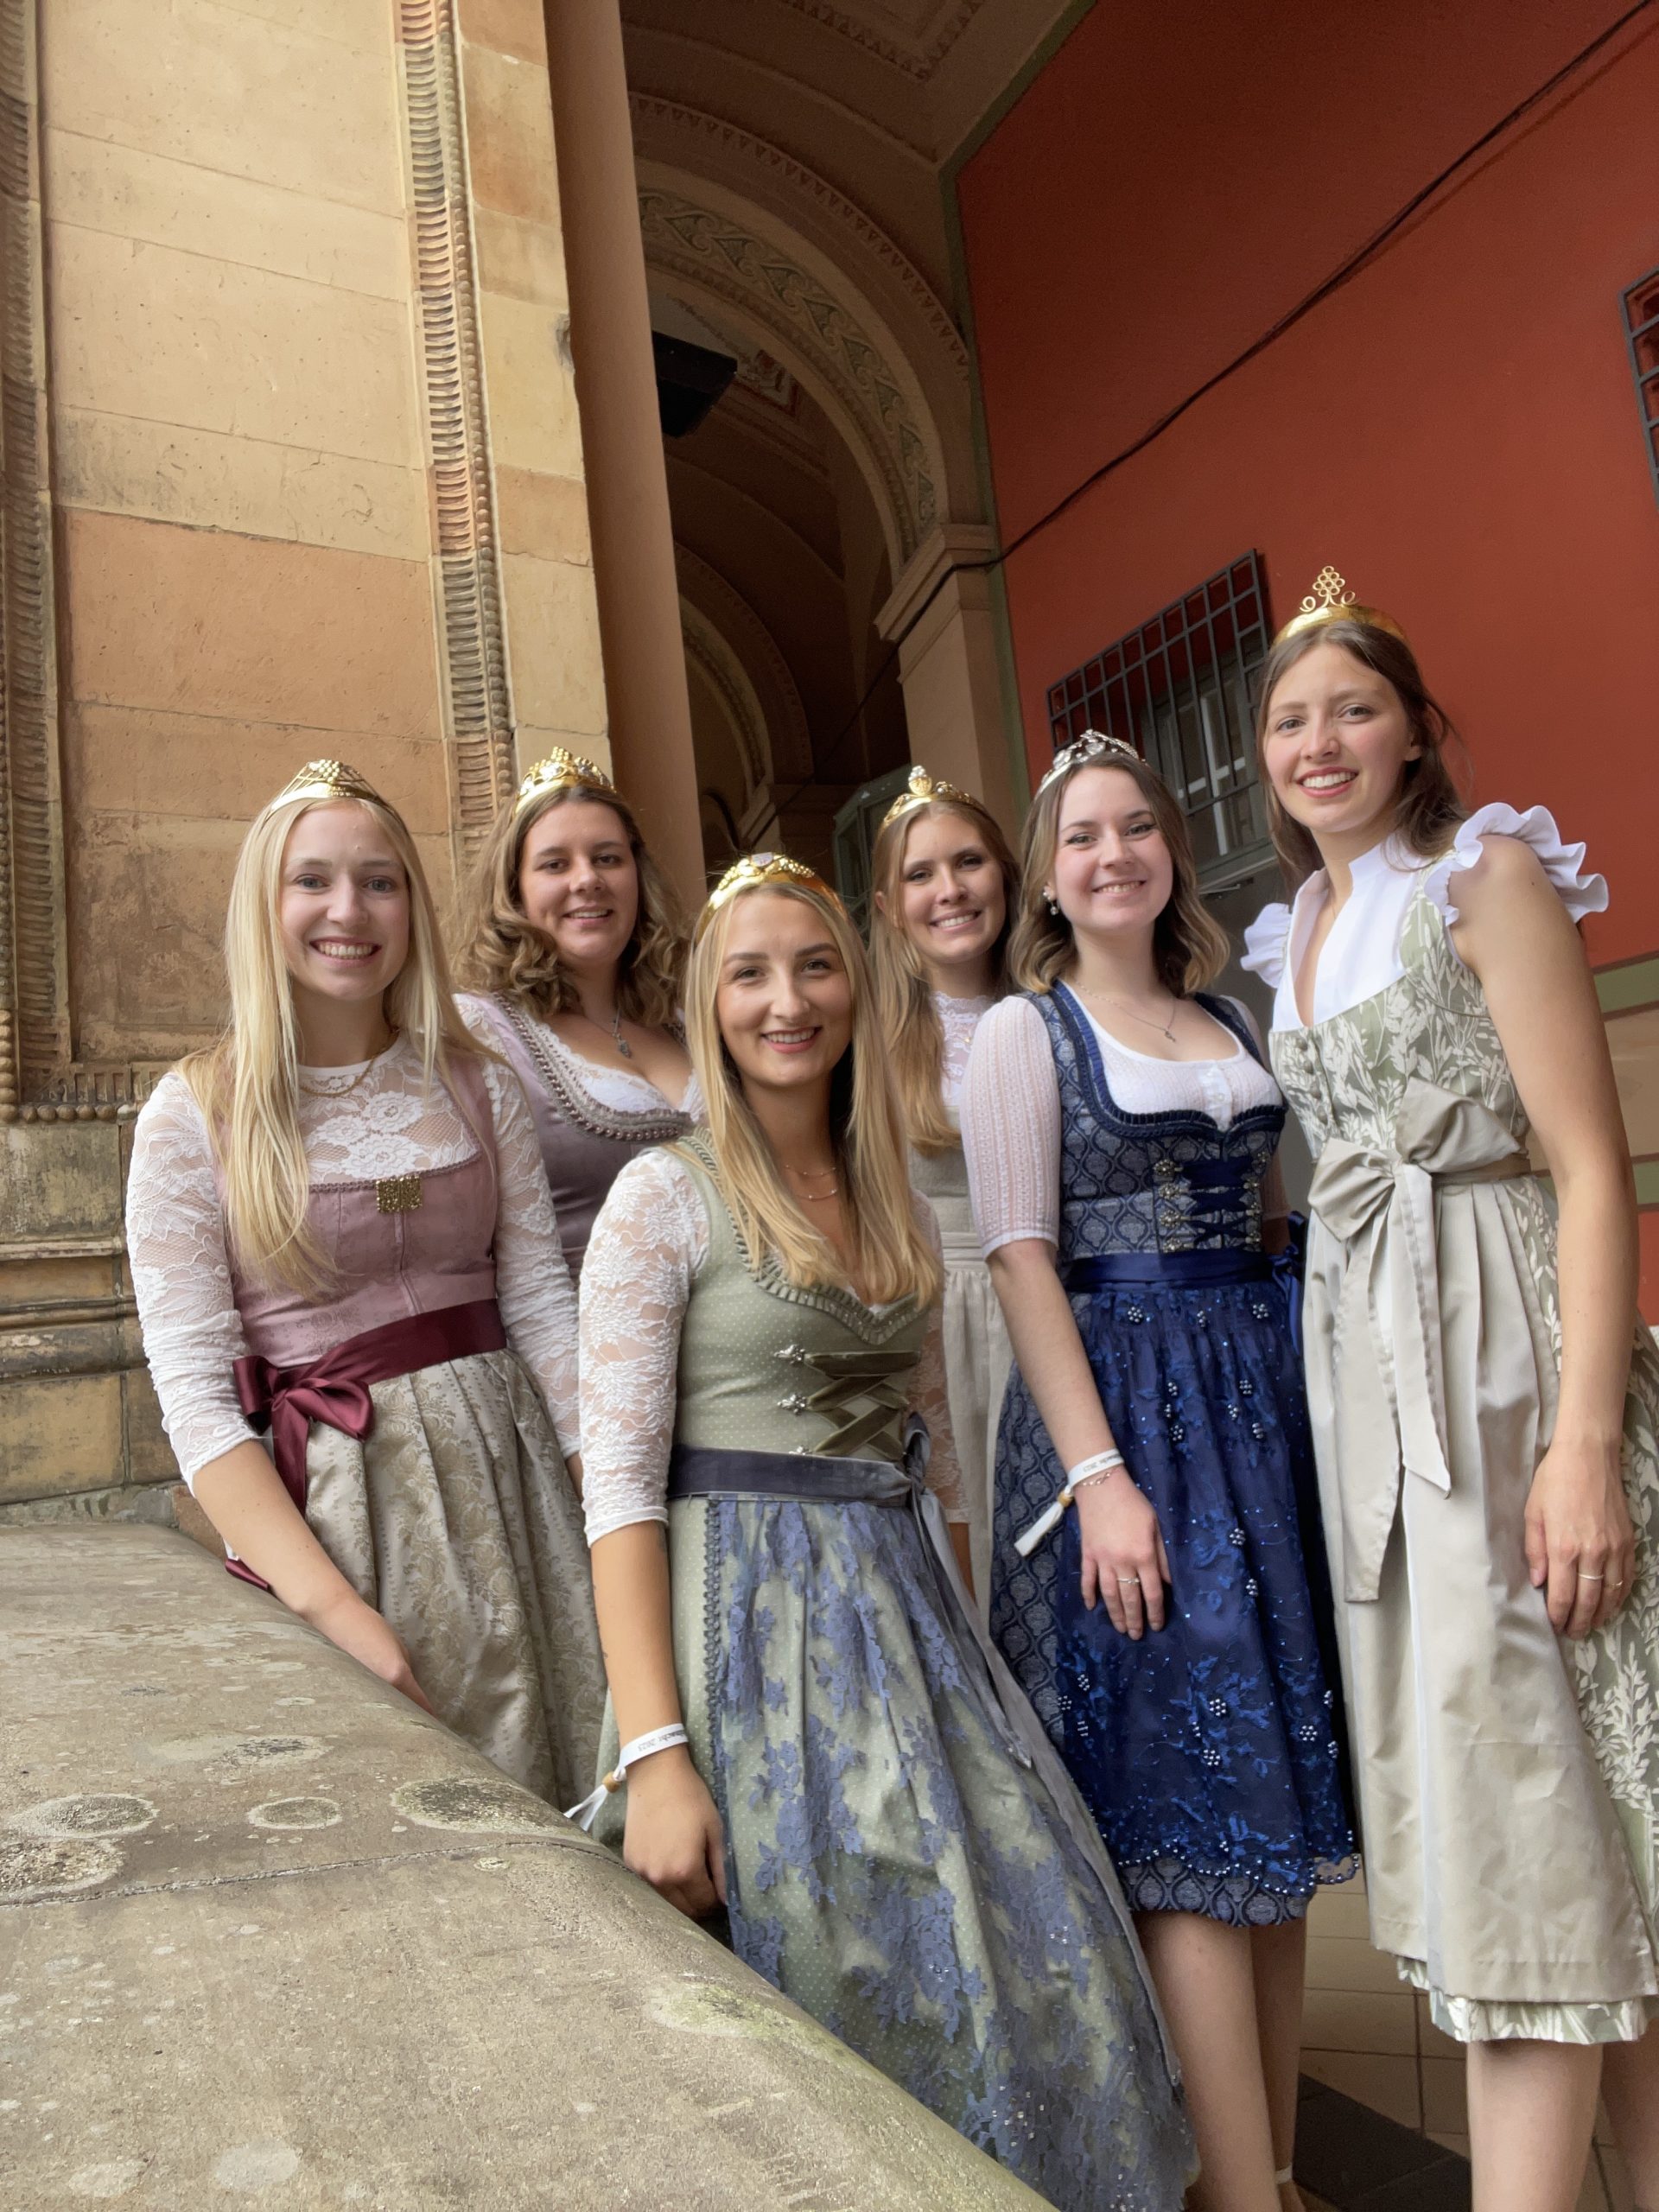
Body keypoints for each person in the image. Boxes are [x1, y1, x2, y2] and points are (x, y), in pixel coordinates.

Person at [575, 850, 1194, 2212]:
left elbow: (941, 1470)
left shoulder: (897, 1198)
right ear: (707, 997)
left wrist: (970, 1649)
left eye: (814, 967)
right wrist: (656, 1755)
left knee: (1039, 1931)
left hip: (907, 1609)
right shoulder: (661, 1198)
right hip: (743, 1614)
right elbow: (616, 1493)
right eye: (748, 973)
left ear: (857, 989)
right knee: (839, 1960)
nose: (785, 1001)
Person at [1242, 568, 1659, 2212]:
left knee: (1543, 1810)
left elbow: (1588, 1168)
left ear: (1417, 731)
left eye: (1353, 708)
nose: (1320, 741)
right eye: (1288, 719)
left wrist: (1583, 1447)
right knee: (1536, 1803)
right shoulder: (1298, 930)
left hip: (1502, 1358)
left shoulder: (1481, 880)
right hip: (1374, 1376)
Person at [963, 733, 1355, 2212]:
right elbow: (1018, 1258)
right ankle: (1234, 2196)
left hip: (1254, 1412)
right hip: (1125, 1415)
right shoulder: (1026, 1031)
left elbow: (1277, 1212)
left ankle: (1279, 2168)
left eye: (1136, 827)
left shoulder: (1224, 1011)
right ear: (1049, 878)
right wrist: (1098, 1479)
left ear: (1170, 849)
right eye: (1081, 837)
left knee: (1269, 1798)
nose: (1113, 853)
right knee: (1189, 1808)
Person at [127, 759, 603, 1807]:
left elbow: (538, 1307)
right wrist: (336, 1613)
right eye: (314, 881)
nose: (350, 910)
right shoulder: (193, 1114)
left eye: (381, 881)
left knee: (571, 1781)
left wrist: (608, 1508)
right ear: (266, 902)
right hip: (344, 1518)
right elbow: (200, 1407)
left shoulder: (478, 1080)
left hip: (517, 1484)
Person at [454, 749, 696, 1279]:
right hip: (582, 1341)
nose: (587, 880)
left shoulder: (688, 1018)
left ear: (638, 875)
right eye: (555, 864)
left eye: (608, 858)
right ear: (513, 889)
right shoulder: (477, 1031)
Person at [868, 764, 1020, 1605]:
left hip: (1071, 1299)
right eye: (919, 874)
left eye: (968, 862)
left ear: (1003, 873)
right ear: (890, 907)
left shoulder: (1061, 1010)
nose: (949, 889)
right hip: (944, 1318)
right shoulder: (872, 1048)